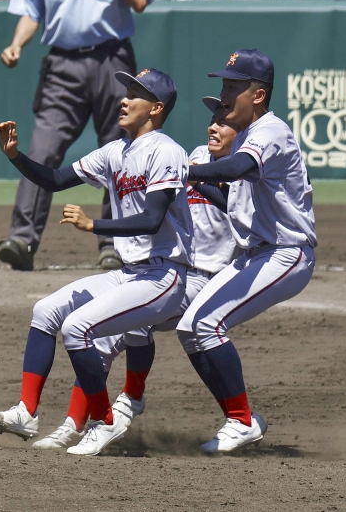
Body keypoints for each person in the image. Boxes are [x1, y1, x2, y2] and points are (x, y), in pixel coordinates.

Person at [0, 68, 193, 456]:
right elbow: (55, 179)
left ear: (157, 108)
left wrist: (94, 224)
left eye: (136, 94)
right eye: (126, 91)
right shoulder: (116, 151)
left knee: (78, 328)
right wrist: (14, 156)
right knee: (46, 310)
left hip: (163, 277)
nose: (124, 99)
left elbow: (152, 220)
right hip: (130, 274)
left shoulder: (166, 151)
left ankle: (103, 422)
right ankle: (27, 412)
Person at [36, 96, 240, 449]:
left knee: (132, 321)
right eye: (213, 118)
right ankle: (73, 422)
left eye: (224, 121)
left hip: (208, 278)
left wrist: (195, 177)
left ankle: (131, 396)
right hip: (170, 269)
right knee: (98, 332)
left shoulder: (243, 169)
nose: (214, 125)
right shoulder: (191, 156)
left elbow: (236, 209)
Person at [0, 0, 158, 272]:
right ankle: (22, 238)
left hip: (113, 59)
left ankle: (115, 243)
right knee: (43, 148)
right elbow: (31, 12)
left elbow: (139, 0)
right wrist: (18, 43)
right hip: (63, 64)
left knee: (121, 151)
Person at [179, 49, 317, 453]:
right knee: (191, 328)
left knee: (208, 324)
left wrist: (185, 171)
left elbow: (236, 169)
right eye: (223, 85)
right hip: (257, 253)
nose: (223, 96)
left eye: (232, 86)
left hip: (286, 253)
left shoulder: (269, 132)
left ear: (257, 95)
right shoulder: (253, 136)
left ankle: (240, 422)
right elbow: (232, 201)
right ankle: (241, 419)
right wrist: (188, 182)